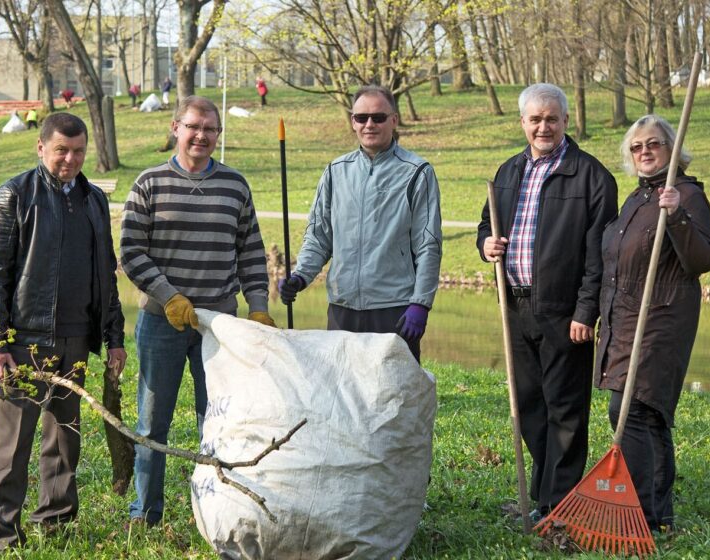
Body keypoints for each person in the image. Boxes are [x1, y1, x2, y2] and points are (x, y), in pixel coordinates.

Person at [120, 95, 276, 526]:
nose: (201, 135)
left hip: (221, 327)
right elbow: (131, 252)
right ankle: (145, 513)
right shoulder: (149, 183)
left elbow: (251, 253)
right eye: (193, 126)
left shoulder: (235, 185)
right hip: (161, 321)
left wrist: (258, 307)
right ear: (175, 128)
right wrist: (168, 295)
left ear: (218, 134)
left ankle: (220, 512)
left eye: (210, 129)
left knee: (221, 423)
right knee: (153, 424)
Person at [0, 112, 127, 552]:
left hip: (77, 339)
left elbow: (107, 273)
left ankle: (56, 523)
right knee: (12, 447)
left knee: (64, 441)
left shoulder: (94, 200)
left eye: (79, 150)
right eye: (61, 149)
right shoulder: (14, 195)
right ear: (41, 147)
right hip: (24, 342)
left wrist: (114, 337)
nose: (70, 159)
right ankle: (2, 535)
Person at [476, 83, 618, 521]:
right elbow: (486, 224)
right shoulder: (507, 172)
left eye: (551, 119)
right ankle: (541, 495)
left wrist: (585, 312)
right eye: (535, 119)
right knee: (529, 405)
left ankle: (560, 505)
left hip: (564, 312)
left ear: (566, 122)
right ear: (522, 122)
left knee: (566, 410)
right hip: (515, 308)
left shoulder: (592, 176)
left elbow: (599, 257)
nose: (543, 126)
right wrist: (486, 246)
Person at [596, 115, 710, 532]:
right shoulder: (636, 199)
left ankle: (642, 514)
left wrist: (679, 216)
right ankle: (656, 515)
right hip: (625, 320)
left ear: (672, 148)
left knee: (633, 411)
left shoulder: (685, 194)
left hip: (660, 321)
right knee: (645, 414)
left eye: (654, 144)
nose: (644, 152)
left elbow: (703, 260)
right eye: (637, 147)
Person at [279, 84, 442, 363]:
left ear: (394, 119)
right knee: (345, 396)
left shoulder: (417, 172)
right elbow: (319, 237)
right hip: (343, 307)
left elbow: (428, 244)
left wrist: (420, 303)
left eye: (378, 117)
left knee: (393, 396)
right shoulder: (335, 171)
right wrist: (300, 276)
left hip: (395, 308)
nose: (369, 124)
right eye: (361, 117)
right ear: (353, 122)